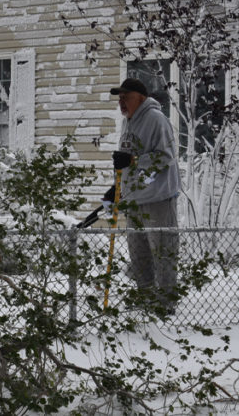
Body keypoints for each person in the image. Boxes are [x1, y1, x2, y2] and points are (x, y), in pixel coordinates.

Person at [104, 78, 181, 314]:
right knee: (139, 255)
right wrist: (117, 189)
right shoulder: (128, 123)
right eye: (119, 98)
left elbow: (166, 155)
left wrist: (135, 160)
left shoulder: (156, 120)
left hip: (158, 198)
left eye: (125, 97)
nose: (121, 102)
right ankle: (145, 298)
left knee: (163, 251)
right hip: (134, 199)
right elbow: (127, 161)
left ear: (140, 97)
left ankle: (166, 303)